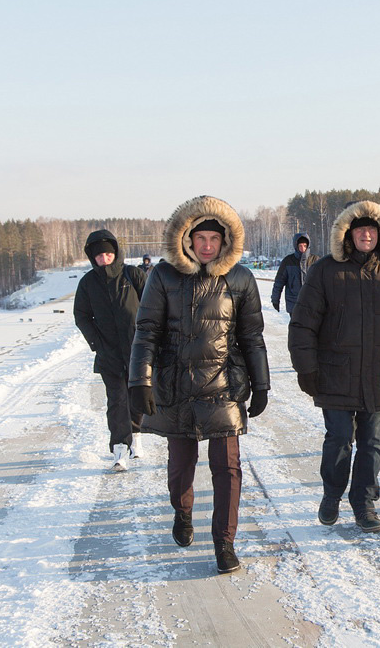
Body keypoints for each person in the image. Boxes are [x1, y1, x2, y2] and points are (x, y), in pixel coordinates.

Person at [128, 195, 270, 574]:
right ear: (186, 239)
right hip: (176, 386)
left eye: (214, 239)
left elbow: (252, 336)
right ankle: (182, 511)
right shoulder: (163, 276)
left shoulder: (240, 278)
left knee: (228, 469)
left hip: (223, 385)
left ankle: (225, 543)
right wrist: (139, 381)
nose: (207, 246)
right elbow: (146, 332)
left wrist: (262, 383)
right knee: (180, 468)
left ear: (225, 242)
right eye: (200, 238)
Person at [288, 201, 380, 533]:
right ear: (348, 234)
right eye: (360, 229)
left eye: (372, 229)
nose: (366, 234)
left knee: (372, 444)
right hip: (335, 372)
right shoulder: (326, 270)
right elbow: (303, 324)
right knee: (338, 441)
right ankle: (332, 494)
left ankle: (364, 503)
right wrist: (306, 368)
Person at [73, 230, 147, 471]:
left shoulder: (133, 275)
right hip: (109, 353)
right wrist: (97, 343)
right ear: (92, 258)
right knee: (117, 400)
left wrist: (149, 339)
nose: (104, 259)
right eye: (99, 256)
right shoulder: (87, 283)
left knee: (137, 397)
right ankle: (119, 450)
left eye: (108, 254)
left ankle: (136, 435)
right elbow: (82, 316)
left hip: (138, 350)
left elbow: (153, 307)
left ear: (115, 253)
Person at [272, 232, 319, 315]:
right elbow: (279, 281)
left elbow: (325, 281)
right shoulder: (288, 261)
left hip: (312, 303)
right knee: (296, 327)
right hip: (294, 303)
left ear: (308, 245)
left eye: (305, 245)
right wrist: (275, 299)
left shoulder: (315, 260)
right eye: (300, 246)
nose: (303, 248)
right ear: (296, 246)